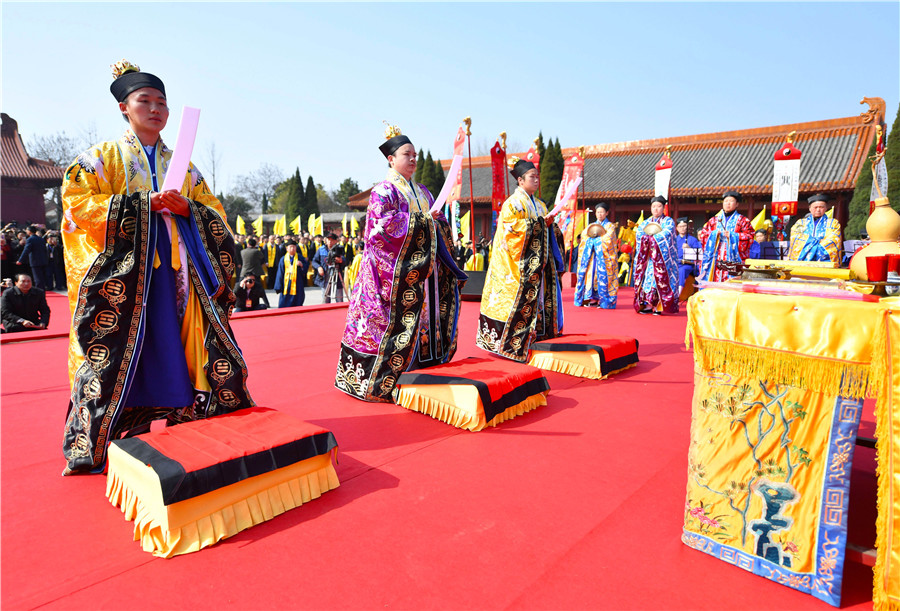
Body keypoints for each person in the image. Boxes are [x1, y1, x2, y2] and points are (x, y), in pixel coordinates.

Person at [59, 60, 253, 474]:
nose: (155, 109)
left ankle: (188, 415)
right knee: (123, 349)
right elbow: (76, 206)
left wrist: (188, 210)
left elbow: (214, 212)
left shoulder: (185, 166)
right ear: (123, 108)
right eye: (144, 101)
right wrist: (142, 205)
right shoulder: (98, 159)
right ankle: (108, 436)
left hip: (178, 275)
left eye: (161, 102)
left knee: (178, 345)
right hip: (127, 279)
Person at [335, 124, 467, 402]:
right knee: (388, 323)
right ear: (391, 159)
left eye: (415, 155)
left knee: (426, 319)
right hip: (390, 274)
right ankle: (384, 379)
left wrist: (436, 224)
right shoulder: (383, 191)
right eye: (407, 154)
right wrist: (423, 221)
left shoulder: (423, 192)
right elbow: (381, 230)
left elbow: (439, 221)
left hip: (424, 273)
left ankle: (424, 368)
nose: (413, 159)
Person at [476, 157, 563, 362]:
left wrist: (549, 225)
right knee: (511, 301)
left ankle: (537, 335)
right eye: (532, 177)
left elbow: (546, 227)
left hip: (537, 263)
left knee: (539, 298)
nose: (537, 180)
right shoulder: (512, 204)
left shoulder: (540, 205)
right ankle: (509, 343)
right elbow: (511, 231)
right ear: (520, 180)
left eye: (537, 176)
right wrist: (539, 225)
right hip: (514, 264)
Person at [632, 196, 679, 314]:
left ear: (663, 208)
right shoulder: (646, 222)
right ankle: (648, 304)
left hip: (663, 259)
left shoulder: (668, 221)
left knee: (661, 280)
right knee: (648, 280)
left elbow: (667, 234)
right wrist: (647, 238)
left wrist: (652, 238)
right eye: (653, 206)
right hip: (649, 259)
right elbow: (639, 234)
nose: (656, 209)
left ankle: (660, 306)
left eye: (659, 206)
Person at [698, 190, 754, 282]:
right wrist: (714, 235)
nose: (728, 203)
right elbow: (703, 234)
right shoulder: (714, 220)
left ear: (737, 204)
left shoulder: (743, 220)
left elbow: (750, 236)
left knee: (732, 283)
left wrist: (733, 236)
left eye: (731, 201)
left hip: (733, 258)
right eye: (726, 201)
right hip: (716, 258)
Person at [574, 202, 618, 308]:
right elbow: (584, 237)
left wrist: (594, 240)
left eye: (602, 212)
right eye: (598, 212)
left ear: (607, 213)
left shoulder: (610, 226)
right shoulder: (591, 226)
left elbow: (608, 240)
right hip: (592, 257)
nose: (600, 214)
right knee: (591, 276)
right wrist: (593, 240)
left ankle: (604, 300)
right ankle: (592, 298)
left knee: (603, 277)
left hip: (604, 259)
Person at [788, 194, 842, 265]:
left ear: (826, 208)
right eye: (815, 207)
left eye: (821, 207)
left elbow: (834, 239)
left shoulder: (833, 223)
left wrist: (811, 245)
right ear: (810, 208)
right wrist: (817, 242)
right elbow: (795, 237)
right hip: (803, 262)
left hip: (823, 261)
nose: (818, 210)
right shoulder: (800, 223)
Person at [312, 232, 346, 303]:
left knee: (339, 298)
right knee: (326, 299)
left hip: (337, 275)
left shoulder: (339, 249)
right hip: (325, 276)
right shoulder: (321, 249)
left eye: (332, 240)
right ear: (325, 240)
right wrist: (319, 267)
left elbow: (345, 260)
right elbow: (314, 261)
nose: (330, 242)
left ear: (336, 241)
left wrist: (341, 260)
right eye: (328, 240)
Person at [274, 239, 307, 308]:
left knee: (298, 300)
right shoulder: (283, 259)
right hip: (287, 283)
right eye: (290, 247)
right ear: (287, 249)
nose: (292, 249)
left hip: (297, 282)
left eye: (294, 247)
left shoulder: (300, 257)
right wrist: (278, 286)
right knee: (285, 300)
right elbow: (280, 273)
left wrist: (302, 265)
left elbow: (305, 268)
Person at [16, 225, 50, 289]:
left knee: (37, 278)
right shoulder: (41, 239)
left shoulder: (30, 239)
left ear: (29, 231)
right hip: (43, 260)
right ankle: (42, 290)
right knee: (42, 278)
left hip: (35, 261)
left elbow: (26, 250)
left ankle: (38, 291)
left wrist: (20, 260)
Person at [675, 217, 702, 294]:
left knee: (682, 270)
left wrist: (689, 248)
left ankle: (678, 293)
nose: (682, 228)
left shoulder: (693, 239)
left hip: (687, 264)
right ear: (677, 228)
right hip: (676, 264)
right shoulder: (674, 239)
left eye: (684, 226)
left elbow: (698, 255)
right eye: (680, 226)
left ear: (687, 227)